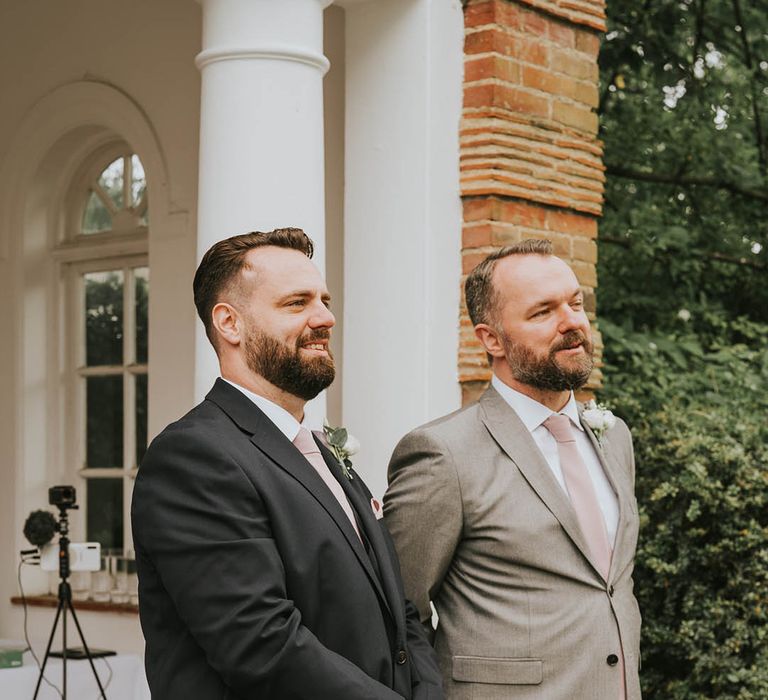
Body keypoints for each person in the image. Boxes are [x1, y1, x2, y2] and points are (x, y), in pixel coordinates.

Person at [132, 228, 443, 700]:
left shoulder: (320, 450)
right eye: (297, 303)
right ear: (229, 324)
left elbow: (398, 606)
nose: (326, 317)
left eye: (324, 300)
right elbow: (262, 645)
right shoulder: (195, 457)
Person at [384, 239, 641, 699]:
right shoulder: (442, 453)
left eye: (575, 303)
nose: (572, 323)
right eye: (543, 312)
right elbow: (399, 612)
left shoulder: (614, 436)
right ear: (491, 339)